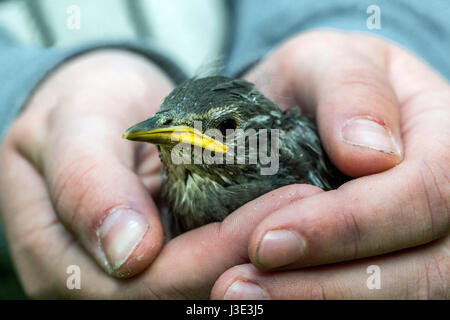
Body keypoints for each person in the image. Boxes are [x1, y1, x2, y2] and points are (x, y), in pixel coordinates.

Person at [0, 0, 448, 299]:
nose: (177, 135)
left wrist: (383, 40)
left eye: (227, 128)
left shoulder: (293, 157)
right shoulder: (167, 194)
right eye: (169, 124)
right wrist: (23, 97)